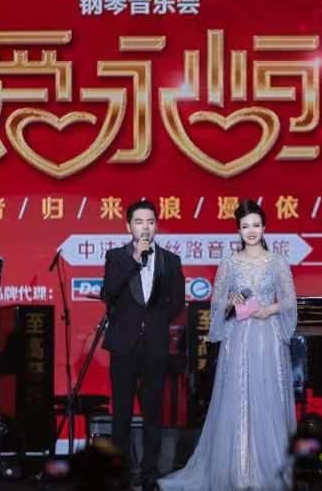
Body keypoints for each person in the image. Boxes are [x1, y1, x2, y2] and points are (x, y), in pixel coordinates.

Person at [159, 199, 298, 490]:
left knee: (267, 397)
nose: (251, 231)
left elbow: (289, 301)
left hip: (268, 337)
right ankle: (239, 470)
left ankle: (269, 470)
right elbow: (217, 302)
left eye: (256, 225)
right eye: (245, 226)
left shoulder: (277, 261)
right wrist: (231, 302)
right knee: (238, 397)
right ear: (238, 230)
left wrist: (268, 310)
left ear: (265, 227)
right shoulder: (230, 262)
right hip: (239, 336)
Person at [102, 200, 185, 489]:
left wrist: (156, 323)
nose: (145, 227)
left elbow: (177, 302)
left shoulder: (170, 260)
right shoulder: (116, 257)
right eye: (139, 222)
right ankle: (120, 475)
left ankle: (150, 474)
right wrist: (135, 258)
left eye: (150, 222)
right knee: (121, 415)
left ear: (156, 225)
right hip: (123, 346)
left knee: (152, 414)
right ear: (129, 226)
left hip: (155, 346)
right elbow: (109, 292)